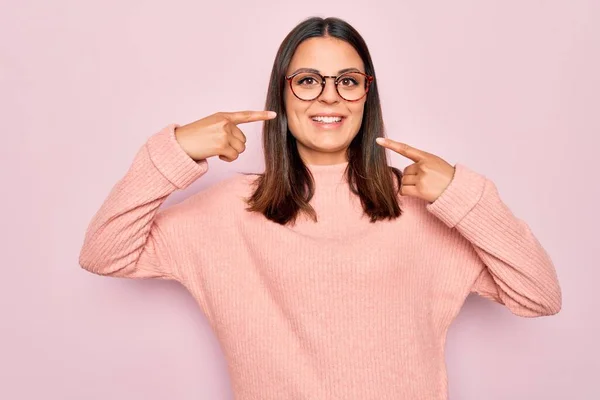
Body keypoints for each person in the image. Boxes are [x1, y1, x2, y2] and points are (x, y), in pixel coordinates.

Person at [79, 16, 562, 400]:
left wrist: (463, 195)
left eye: (348, 81)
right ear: (282, 94)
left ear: (366, 94)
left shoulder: (422, 207)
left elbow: (539, 295)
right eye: (308, 80)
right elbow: (105, 253)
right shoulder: (228, 212)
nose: (330, 95)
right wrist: (177, 150)